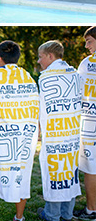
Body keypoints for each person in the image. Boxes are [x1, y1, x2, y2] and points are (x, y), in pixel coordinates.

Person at [0, 41, 39, 221]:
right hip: (24, 134)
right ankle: (19, 217)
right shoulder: (28, 78)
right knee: (22, 175)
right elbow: (35, 105)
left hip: (0, 136)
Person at [36, 40, 81, 221]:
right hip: (72, 131)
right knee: (70, 169)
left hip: (55, 134)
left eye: (40, 57)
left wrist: (38, 129)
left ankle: (52, 215)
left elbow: (41, 107)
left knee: (54, 170)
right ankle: (67, 213)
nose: (39, 61)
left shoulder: (46, 78)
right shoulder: (75, 74)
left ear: (50, 56)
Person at [78, 26, 96, 220]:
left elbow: (77, 90)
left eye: (89, 41)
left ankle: (91, 210)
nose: (86, 46)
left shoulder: (87, 63)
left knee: (92, 168)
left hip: (90, 124)